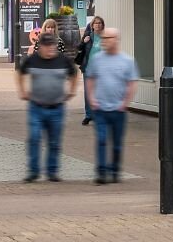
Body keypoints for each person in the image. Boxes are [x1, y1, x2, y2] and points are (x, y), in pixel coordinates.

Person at [17, 32, 77, 183]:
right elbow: (20, 73)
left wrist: (72, 90)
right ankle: (33, 171)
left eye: (53, 45)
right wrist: (22, 90)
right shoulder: (32, 60)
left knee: (54, 141)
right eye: (47, 45)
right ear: (40, 47)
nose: (51, 48)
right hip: (36, 107)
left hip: (57, 108)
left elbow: (74, 73)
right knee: (34, 138)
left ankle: (52, 171)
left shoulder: (63, 60)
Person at [85, 27, 138, 185]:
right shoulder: (97, 59)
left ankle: (114, 170)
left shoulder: (127, 61)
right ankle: (101, 172)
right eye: (103, 38)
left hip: (118, 110)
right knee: (101, 139)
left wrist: (125, 103)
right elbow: (90, 79)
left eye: (108, 38)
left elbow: (132, 83)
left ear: (116, 40)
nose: (104, 41)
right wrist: (92, 98)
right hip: (100, 108)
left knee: (116, 144)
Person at [75, 15, 104, 125]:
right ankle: (88, 115)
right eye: (96, 23)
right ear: (92, 25)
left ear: (102, 25)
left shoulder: (105, 37)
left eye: (100, 23)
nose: (98, 25)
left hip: (101, 70)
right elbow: (79, 48)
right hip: (88, 68)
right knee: (88, 93)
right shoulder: (89, 36)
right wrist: (83, 42)